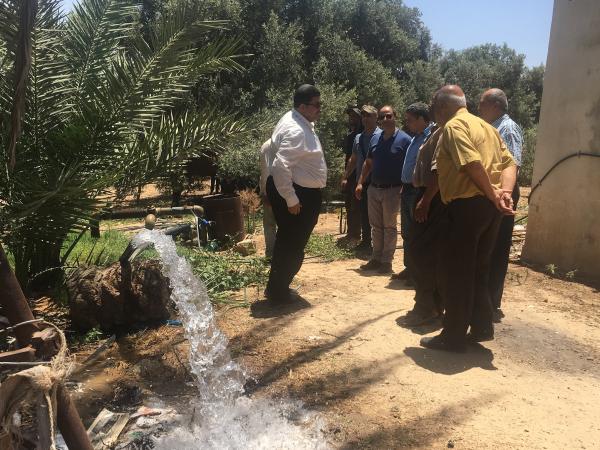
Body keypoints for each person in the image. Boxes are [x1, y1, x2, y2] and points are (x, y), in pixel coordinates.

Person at [420, 85, 517, 352]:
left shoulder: (453, 127)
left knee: (456, 272)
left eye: (433, 109)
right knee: (479, 268)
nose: (434, 115)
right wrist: (503, 193)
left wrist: (493, 193)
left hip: (466, 207)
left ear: (441, 108)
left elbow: (471, 164)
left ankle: (453, 335)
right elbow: (510, 163)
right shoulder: (488, 127)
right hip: (489, 209)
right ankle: (482, 326)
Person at [265, 84, 327, 303]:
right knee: (292, 244)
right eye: (316, 105)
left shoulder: (297, 120)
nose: (320, 108)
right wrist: (291, 199)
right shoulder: (296, 129)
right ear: (303, 106)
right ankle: (278, 292)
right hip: (297, 193)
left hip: (297, 190)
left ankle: (278, 288)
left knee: (288, 242)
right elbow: (281, 167)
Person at [479, 88, 524, 322]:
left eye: (482, 103)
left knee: (496, 249)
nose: (478, 107)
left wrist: (505, 194)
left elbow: (512, 163)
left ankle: (491, 303)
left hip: (503, 194)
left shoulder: (507, 128)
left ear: (495, 105)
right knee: (488, 246)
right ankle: (483, 299)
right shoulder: (491, 128)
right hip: (493, 193)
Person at [355, 106, 411, 274]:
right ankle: (376, 258)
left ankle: (387, 261)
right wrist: (360, 182)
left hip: (393, 190)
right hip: (373, 188)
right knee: (376, 226)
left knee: (389, 227)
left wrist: (404, 187)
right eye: (382, 117)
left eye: (389, 116)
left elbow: (409, 166)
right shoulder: (375, 139)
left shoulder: (405, 140)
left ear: (395, 116)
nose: (385, 119)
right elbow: (368, 163)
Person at [399, 125, 446, 326]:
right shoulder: (437, 130)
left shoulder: (447, 132)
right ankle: (431, 306)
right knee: (423, 253)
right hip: (428, 195)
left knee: (422, 254)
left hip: (433, 198)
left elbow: (439, 170)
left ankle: (427, 308)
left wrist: (425, 200)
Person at [391, 102, 433, 283]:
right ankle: (410, 268)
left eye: (410, 120)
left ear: (422, 119)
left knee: (418, 232)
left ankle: (419, 273)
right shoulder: (416, 137)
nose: (407, 124)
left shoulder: (431, 137)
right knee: (407, 232)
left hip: (419, 191)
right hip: (407, 189)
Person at [341, 105, 381, 250]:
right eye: (363, 116)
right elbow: (353, 158)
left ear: (376, 117)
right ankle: (366, 242)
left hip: (377, 182)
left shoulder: (382, 136)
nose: (365, 118)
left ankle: (377, 246)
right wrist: (346, 176)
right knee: (363, 213)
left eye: (369, 115)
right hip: (361, 182)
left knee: (376, 216)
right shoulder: (358, 137)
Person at [342, 107, 363, 241]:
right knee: (349, 204)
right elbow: (347, 156)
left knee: (356, 205)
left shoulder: (362, 135)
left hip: (358, 174)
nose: (352, 119)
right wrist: (345, 175)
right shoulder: (351, 135)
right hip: (349, 174)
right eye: (350, 116)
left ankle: (356, 234)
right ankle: (351, 232)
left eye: (355, 116)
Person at [259, 138, 277, 258]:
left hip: (270, 190)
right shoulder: (289, 143)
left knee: (270, 224)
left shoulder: (265, 146)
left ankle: (271, 254)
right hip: (285, 190)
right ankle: (282, 254)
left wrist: (265, 193)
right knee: (285, 223)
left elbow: (264, 171)